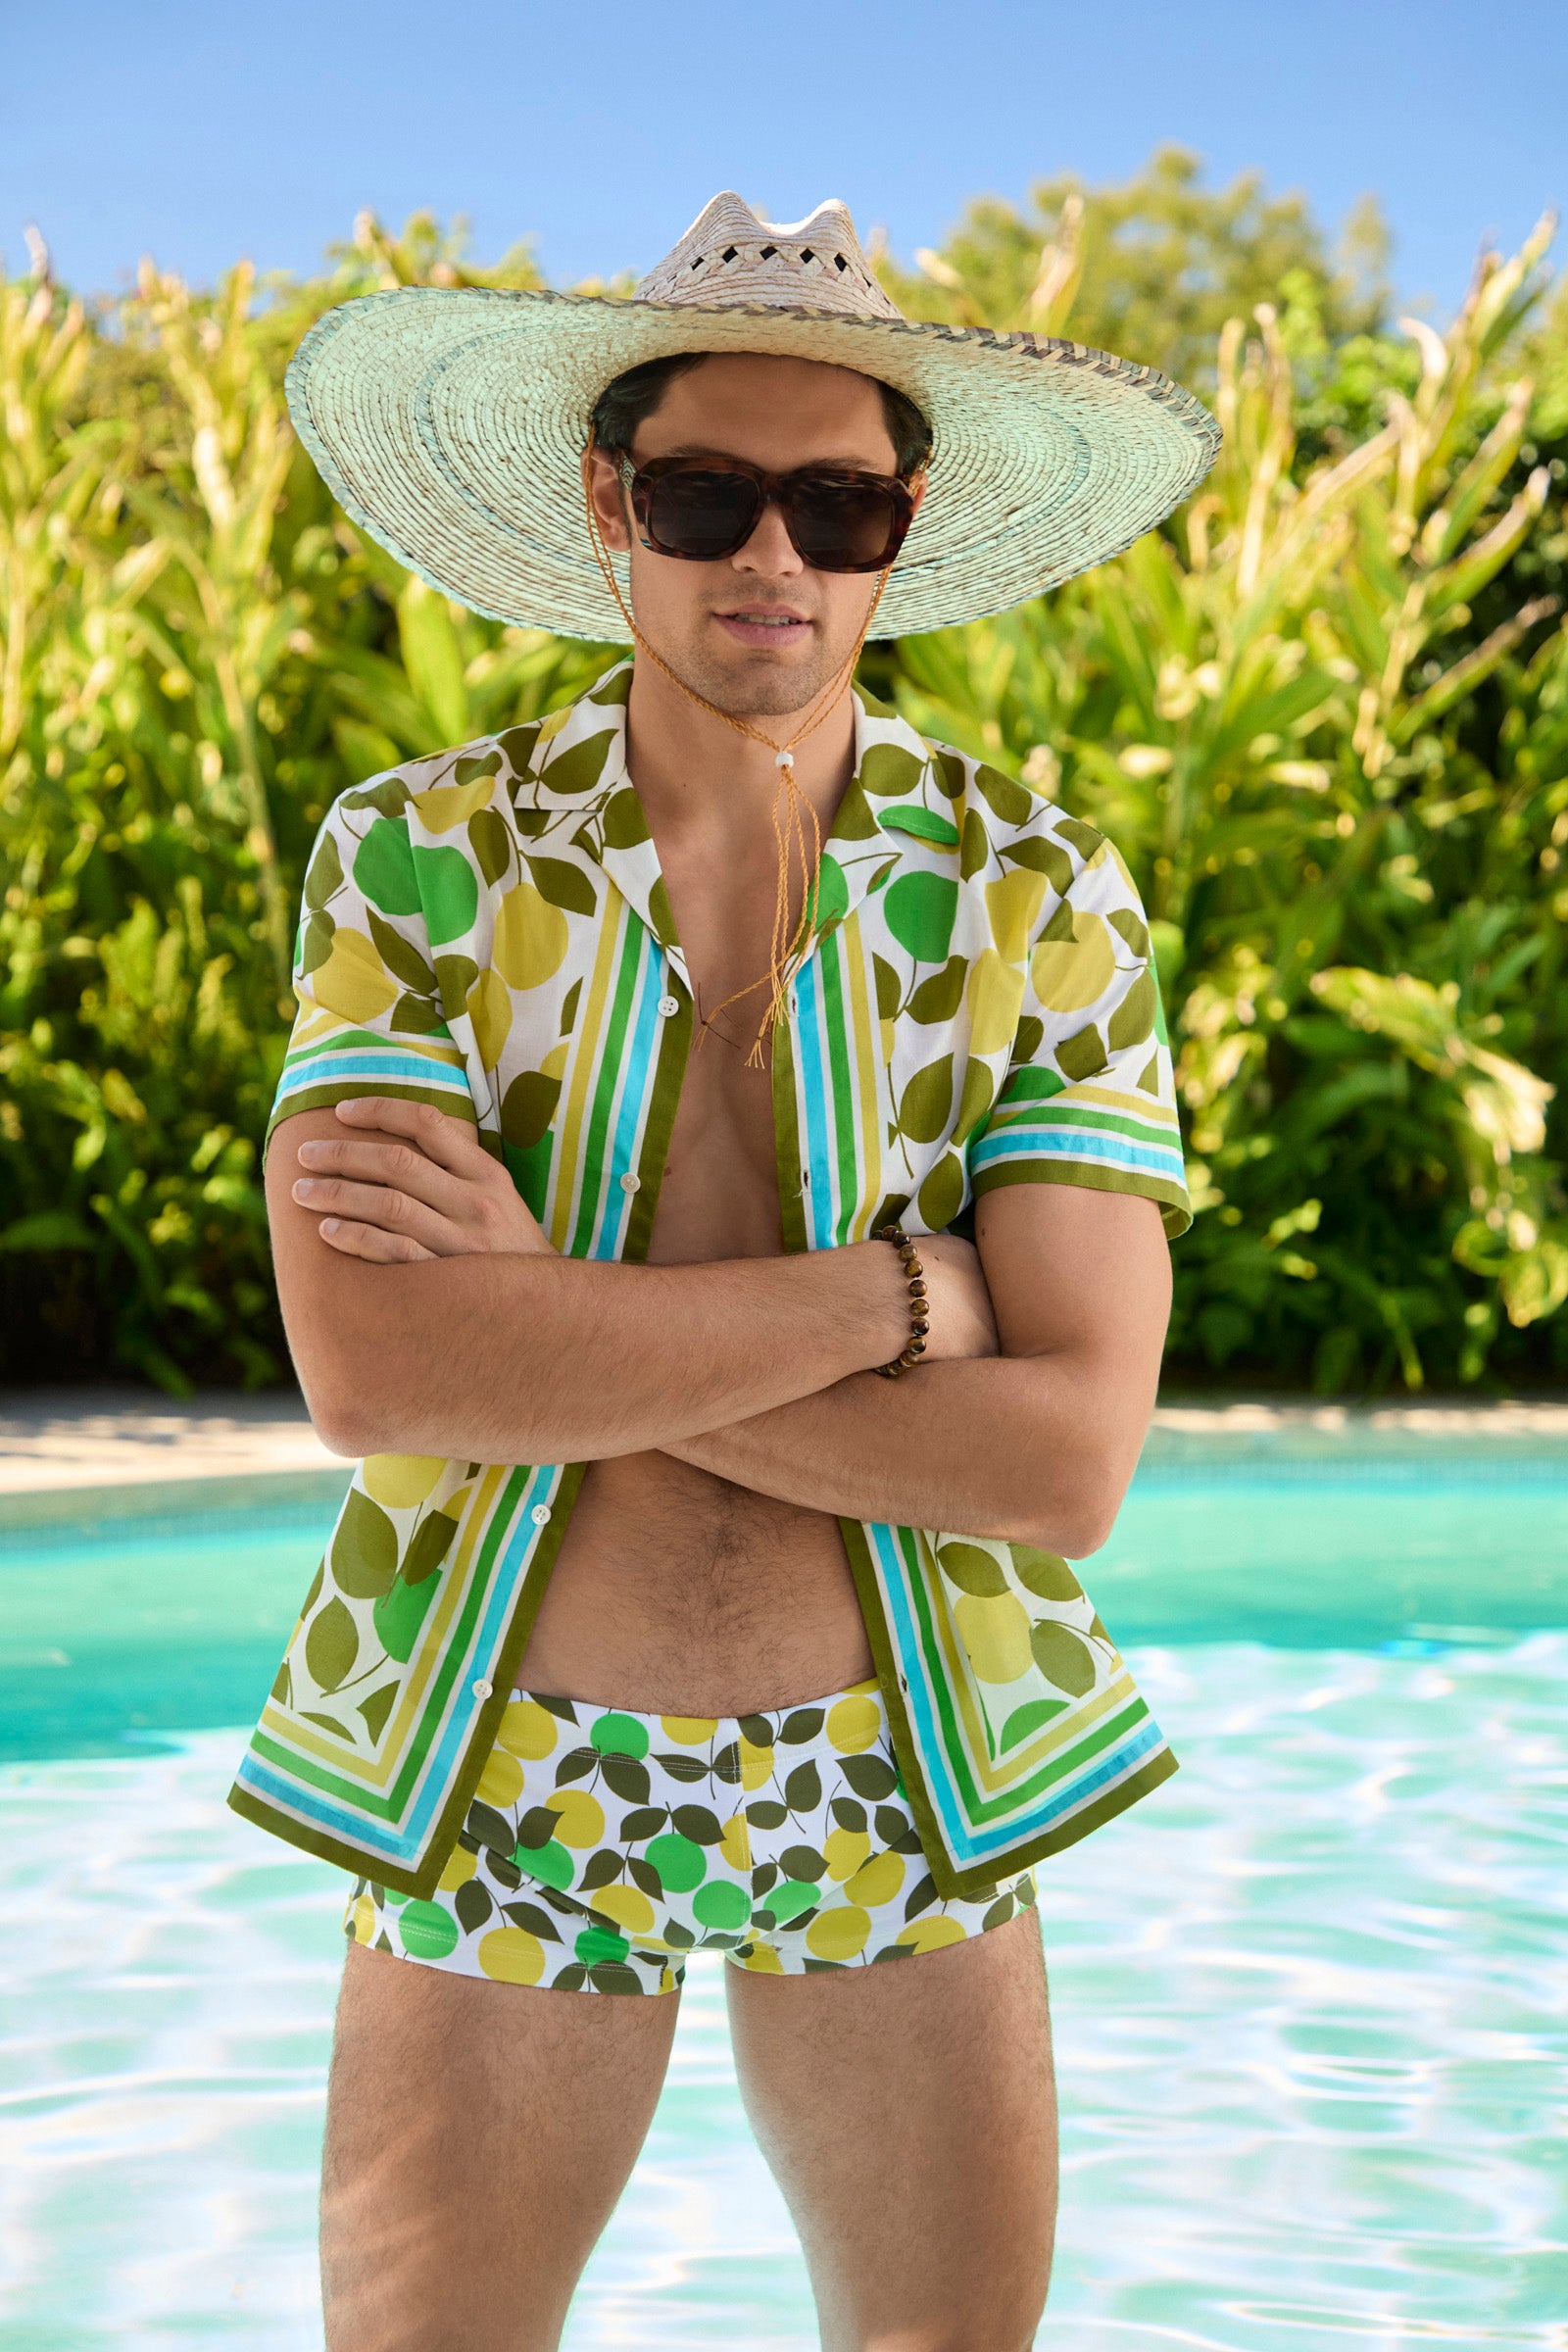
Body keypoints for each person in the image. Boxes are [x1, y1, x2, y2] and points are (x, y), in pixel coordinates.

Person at [236, 192, 1217, 2351]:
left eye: (834, 504)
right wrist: (893, 1303)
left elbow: (1063, 1466)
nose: (767, 556)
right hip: (497, 1757)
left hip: (905, 1758)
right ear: (610, 504)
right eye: (702, 496)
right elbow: (379, 1370)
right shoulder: (417, 856)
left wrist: (549, 1326)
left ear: (899, 523)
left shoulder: (1031, 886)